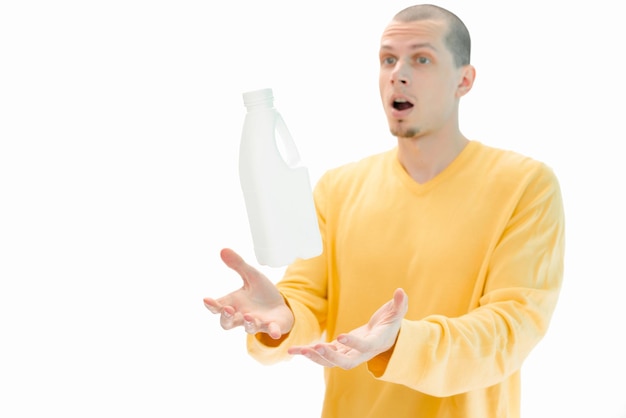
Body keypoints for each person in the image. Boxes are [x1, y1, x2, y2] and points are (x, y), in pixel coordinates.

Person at [204, 4, 565, 418]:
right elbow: (307, 298)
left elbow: (511, 328)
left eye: (422, 59)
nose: (398, 73)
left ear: (464, 80)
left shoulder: (524, 185)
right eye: (388, 59)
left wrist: (399, 343)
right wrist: (282, 315)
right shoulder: (338, 188)